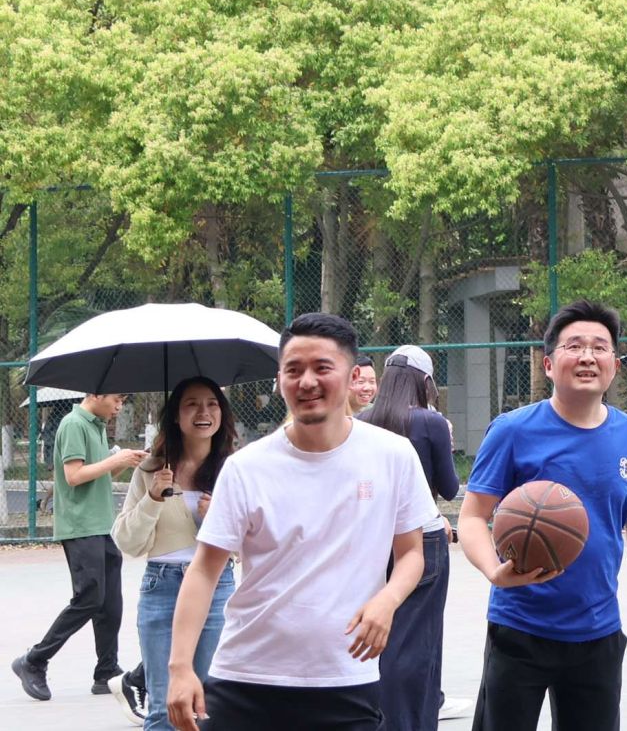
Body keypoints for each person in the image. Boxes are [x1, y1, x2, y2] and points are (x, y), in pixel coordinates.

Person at [165, 313, 437, 731]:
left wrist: (388, 600)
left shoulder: (394, 456)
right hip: (245, 679)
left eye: (322, 367)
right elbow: (203, 570)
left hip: (346, 679)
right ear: (280, 381)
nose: (306, 381)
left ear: (353, 377)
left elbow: (412, 554)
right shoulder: (246, 468)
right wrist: (180, 667)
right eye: (293, 370)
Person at [456, 300, 627, 731]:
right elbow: (472, 517)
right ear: (548, 364)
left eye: (600, 347)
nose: (588, 356)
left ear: (614, 365)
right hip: (520, 626)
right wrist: (494, 571)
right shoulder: (513, 430)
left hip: (597, 628)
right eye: (574, 346)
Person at [111, 378, 237, 731]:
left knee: (209, 704)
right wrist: (152, 498)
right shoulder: (151, 470)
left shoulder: (235, 470)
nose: (203, 412)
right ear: (176, 417)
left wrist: (214, 519)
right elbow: (128, 542)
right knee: (163, 708)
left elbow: (252, 545)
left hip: (216, 588)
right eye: (191, 404)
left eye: (212, 404)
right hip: (161, 586)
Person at [11, 391, 146, 704]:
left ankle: (106, 671)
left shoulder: (96, 426)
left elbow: (99, 474)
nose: (119, 406)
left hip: (102, 524)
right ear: (96, 394)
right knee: (89, 598)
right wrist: (115, 459)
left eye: (123, 401)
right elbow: (73, 476)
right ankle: (34, 660)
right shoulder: (73, 424)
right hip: (80, 525)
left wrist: (126, 462)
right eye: (117, 399)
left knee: (111, 602)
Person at [360, 346, 469, 731]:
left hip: (374, 540)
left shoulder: (363, 420)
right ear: (425, 381)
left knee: (382, 636)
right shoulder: (430, 422)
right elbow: (450, 488)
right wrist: (446, 441)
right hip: (423, 537)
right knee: (420, 644)